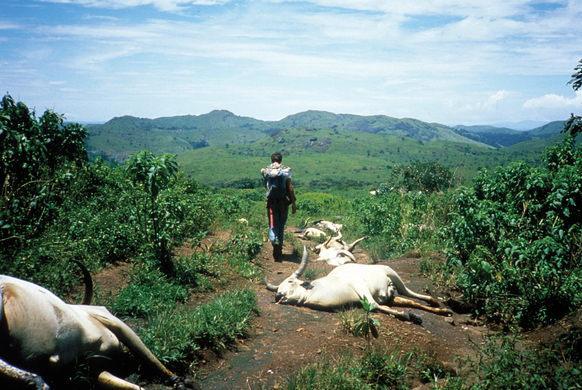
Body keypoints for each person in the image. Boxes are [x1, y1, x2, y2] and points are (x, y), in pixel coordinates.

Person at [261, 152, 297, 261]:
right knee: (281, 226)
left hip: (271, 203)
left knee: (272, 225)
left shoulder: (267, 171)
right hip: (283, 203)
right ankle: (279, 249)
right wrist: (293, 203)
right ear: (281, 160)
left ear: (272, 160)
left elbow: (265, 186)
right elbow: (290, 188)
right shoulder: (285, 171)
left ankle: (274, 242)